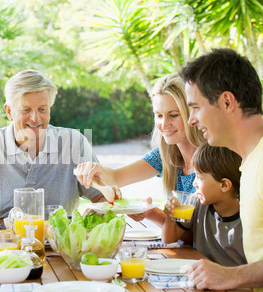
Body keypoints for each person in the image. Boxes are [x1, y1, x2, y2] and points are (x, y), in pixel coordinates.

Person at [0, 70, 103, 228]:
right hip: (1, 247)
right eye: (26, 110)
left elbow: (103, 198)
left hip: (59, 248)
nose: (36, 118)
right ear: (9, 112)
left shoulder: (74, 143)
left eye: (42, 109)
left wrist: (97, 212)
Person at [181, 48, 263, 292]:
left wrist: (232, 275)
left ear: (227, 102)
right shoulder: (248, 162)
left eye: (195, 107)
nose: (191, 120)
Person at [75, 73, 205, 225]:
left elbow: (195, 232)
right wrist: (96, 170)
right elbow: (117, 177)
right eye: (159, 115)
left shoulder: (211, 160)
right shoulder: (165, 155)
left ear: (192, 114)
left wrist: (152, 212)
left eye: (173, 115)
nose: (164, 124)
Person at [162, 143, 245, 266]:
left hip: (236, 282)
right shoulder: (196, 203)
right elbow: (168, 240)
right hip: (201, 276)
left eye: (199, 177)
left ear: (224, 185)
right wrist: (170, 216)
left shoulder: (246, 218)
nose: (194, 183)